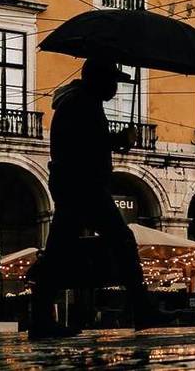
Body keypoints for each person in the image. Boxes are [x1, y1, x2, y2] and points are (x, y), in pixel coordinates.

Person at [29, 58, 163, 338]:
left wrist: (114, 141)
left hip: (76, 185)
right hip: (83, 186)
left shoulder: (79, 102)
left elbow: (88, 141)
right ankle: (142, 308)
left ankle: (41, 318)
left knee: (59, 250)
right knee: (121, 239)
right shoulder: (81, 104)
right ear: (97, 79)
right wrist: (119, 139)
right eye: (112, 80)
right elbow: (87, 145)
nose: (115, 87)